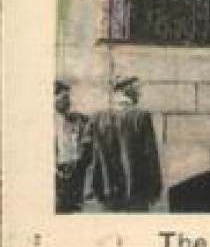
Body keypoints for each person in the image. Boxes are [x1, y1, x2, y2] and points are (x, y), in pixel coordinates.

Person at [84, 76, 164, 212]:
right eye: (136, 89)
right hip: (136, 190)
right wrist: (155, 189)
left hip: (107, 188)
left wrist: (91, 186)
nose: (139, 94)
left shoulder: (97, 117)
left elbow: (88, 155)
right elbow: (151, 156)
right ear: (127, 91)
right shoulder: (141, 117)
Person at [54, 80, 90, 213]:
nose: (68, 102)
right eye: (64, 98)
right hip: (58, 172)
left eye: (68, 98)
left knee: (73, 207)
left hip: (73, 170)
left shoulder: (73, 119)